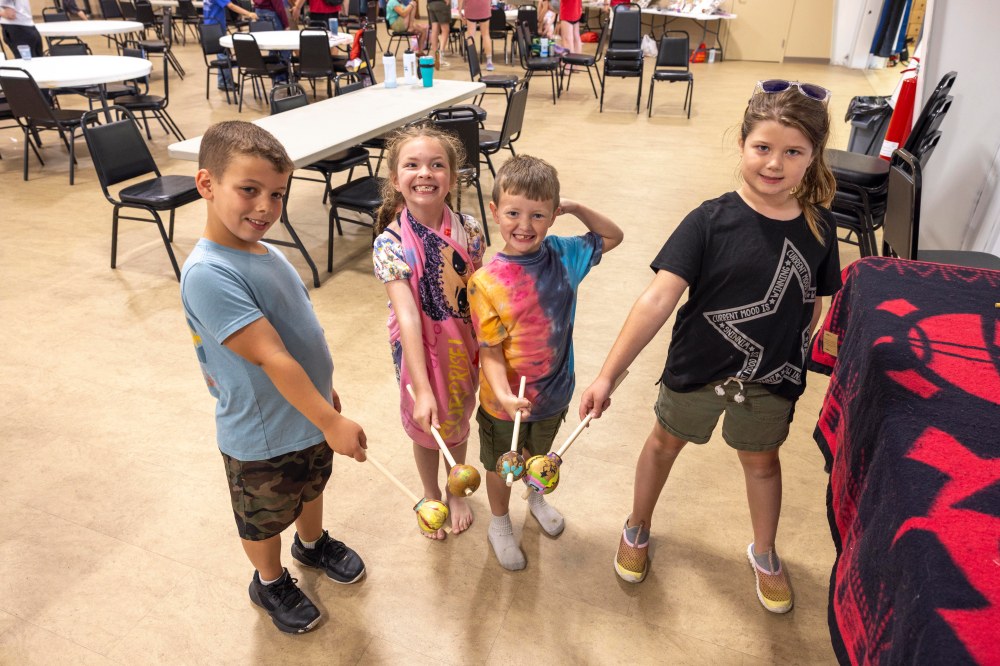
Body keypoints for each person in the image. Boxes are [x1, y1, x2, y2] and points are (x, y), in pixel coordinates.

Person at [578, 80, 842, 613]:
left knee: (763, 464)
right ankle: (637, 525)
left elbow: (814, 301)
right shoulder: (708, 220)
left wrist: (797, 348)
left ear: (813, 158)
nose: (774, 163)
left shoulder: (820, 226)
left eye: (793, 152)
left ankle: (764, 551)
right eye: (763, 148)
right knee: (662, 445)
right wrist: (607, 374)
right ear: (742, 145)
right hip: (698, 368)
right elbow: (657, 300)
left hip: (770, 380)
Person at [181, 121, 369, 634]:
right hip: (260, 434)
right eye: (249, 190)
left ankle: (311, 545)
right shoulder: (208, 273)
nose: (265, 206)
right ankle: (268, 579)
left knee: (309, 487)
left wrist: (322, 402)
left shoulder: (269, 253)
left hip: (305, 412)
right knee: (264, 515)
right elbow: (271, 356)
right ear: (207, 184)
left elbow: (301, 334)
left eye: (278, 194)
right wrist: (330, 418)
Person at [469, 155, 623, 571]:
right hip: (504, 401)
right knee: (502, 465)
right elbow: (490, 351)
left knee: (541, 453)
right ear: (495, 211)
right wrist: (502, 394)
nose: (524, 225)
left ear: (554, 216)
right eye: (513, 213)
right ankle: (499, 523)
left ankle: (535, 496)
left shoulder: (565, 253)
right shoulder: (486, 281)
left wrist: (574, 206)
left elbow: (613, 235)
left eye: (538, 215)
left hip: (555, 389)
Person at [372, 124, 486, 540]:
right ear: (395, 179)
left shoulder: (470, 229)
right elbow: (408, 317)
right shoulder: (390, 244)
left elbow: (476, 290)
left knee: (456, 417)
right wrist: (421, 387)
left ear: (452, 179)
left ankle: (457, 489)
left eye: (437, 165)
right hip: (417, 350)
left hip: (463, 342)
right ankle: (429, 491)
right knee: (426, 424)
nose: (425, 173)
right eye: (412, 165)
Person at [201, 0, 257, 90]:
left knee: (224, 54)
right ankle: (224, 82)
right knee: (223, 54)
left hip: (210, 25)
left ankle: (224, 81)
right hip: (216, 27)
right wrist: (249, 13)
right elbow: (231, 6)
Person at [458, 0, 491, 70]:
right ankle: (489, 62)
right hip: (484, 5)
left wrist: (460, 10)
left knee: (470, 35)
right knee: (486, 34)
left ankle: (472, 61)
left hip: (471, 6)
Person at [425, 0, 450, 68]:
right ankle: (440, 55)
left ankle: (436, 57)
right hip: (440, 3)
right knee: (445, 29)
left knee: (434, 29)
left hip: (431, 3)